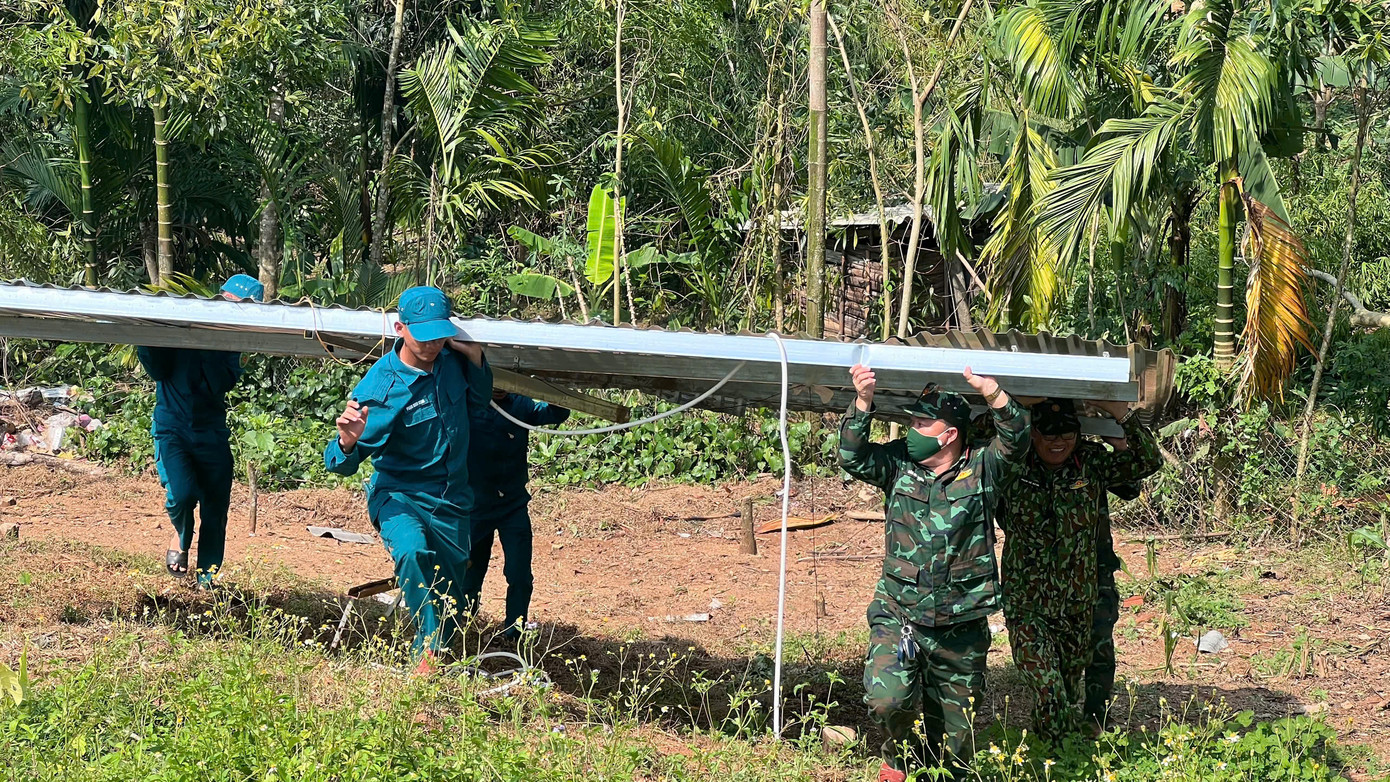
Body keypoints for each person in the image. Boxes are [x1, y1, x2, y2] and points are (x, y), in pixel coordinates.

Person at [840, 365, 1030, 782]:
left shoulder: (983, 469)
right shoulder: (898, 464)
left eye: (924, 423)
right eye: (912, 421)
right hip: (900, 613)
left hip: (960, 623)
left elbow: (1017, 440)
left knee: (955, 744)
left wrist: (992, 391)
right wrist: (863, 402)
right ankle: (896, 758)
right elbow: (852, 456)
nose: (913, 430)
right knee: (888, 699)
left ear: (950, 434)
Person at [324, 286, 492, 672]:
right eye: (423, 334)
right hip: (400, 495)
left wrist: (478, 359)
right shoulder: (382, 387)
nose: (432, 343)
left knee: (451, 594)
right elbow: (341, 463)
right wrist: (347, 441)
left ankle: (431, 658)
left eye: (439, 333)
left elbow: (478, 403)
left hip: (451, 500)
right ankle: (429, 660)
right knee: (413, 553)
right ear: (400, 328)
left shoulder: (452, 362)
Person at [996, 399, 1160, 744]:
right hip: (1027, 601)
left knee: (1065, 694)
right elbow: (975, 432)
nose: (1058, 441)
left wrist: (1121, 414)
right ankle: (1061, 755)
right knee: (1049, 688)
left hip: (1077, 602)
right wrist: (1013, 404)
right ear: (1032, 433)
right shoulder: (1011, 463)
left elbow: (1147, 461)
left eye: (1067, 432)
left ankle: (1052, 748)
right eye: (1048, 433)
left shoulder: (1090, 462)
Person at [141, 273, 263, 587]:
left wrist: (211, 342)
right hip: (173, 428)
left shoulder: (234, 343)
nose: (234, 311)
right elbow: (156, 367)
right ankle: (181, 535)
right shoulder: (184, 321)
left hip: (211, 433)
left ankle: (207, 580)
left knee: (215, 507)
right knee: (181, 495)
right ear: (221, 295)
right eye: (233, 303)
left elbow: (222, 382)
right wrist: (148, 334)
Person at [461, 389, 570, 639]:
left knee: (519, 573)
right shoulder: (467, 401)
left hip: (512, 505)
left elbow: (557, 412)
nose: (499, 387)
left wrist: (554, 385)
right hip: (476, 505)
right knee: (470, 569)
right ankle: (465, 625)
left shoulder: (521, 404)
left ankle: (514, 630)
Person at [1086, 438, 1141, 733]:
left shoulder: (1092, 459)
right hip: (1043, 574)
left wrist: (1120, 439)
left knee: (1099, 645)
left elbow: (1131, 486)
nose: (1058, 440)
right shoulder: (1022, 456)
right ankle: (1058, 720)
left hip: (1095, 568)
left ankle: (1096, 718)